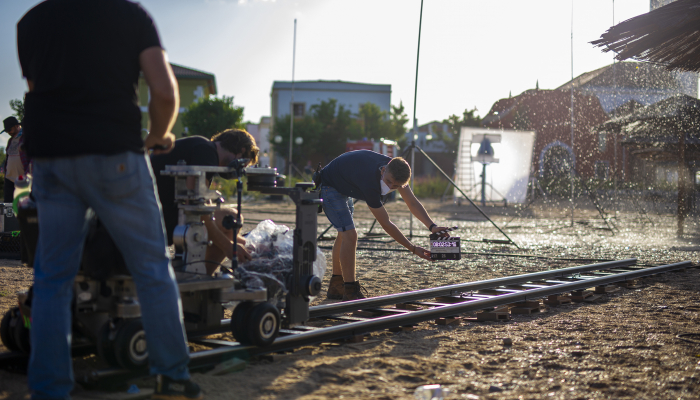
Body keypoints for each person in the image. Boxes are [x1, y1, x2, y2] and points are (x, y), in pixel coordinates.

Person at [17, 1, 202, 399]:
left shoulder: (30, 22)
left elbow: (38, 91)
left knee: (52, 280)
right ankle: (171, 375)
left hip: (51, 159)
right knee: (152, 269)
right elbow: (165, 93)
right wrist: (158, 136)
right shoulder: (131, 15)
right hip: (115, 155)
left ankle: (48, 389)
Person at [318, 150, 450, 301]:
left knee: (344, 233)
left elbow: (412, 202)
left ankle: (336, 286)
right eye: (388, 182)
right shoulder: (371, 183)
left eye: (396, 186)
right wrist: (412, 248)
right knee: (350, 234)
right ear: (383, 170)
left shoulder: (397, 170)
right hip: (329, 185)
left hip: (344, 180)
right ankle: (350, 291)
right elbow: (386, 223)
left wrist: (432, 226)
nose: (390, 186)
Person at [150, 129, 259, 275]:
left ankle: (201, 275)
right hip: (163, 223)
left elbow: (200, 203)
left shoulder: (200, 147)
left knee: (229, 228)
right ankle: (200, 276)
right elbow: (196, 207)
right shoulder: (206, 151)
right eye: (242, 165)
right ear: (241, 151)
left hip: (155, 217)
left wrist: (245, 244)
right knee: (232, 219)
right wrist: (228, 247)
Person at [1, 116, 30, 203]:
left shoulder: (26, 137)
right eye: (6, 131)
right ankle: (8, 217)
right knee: (8, 204)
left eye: (9, 129)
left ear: (17, 126)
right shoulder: (10, 140)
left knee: (23, 205)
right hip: (9, 178)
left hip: (22, 178)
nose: (8, 132)